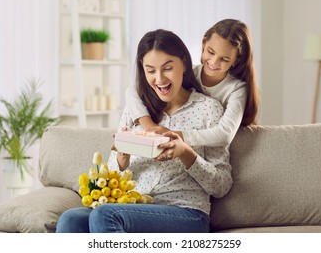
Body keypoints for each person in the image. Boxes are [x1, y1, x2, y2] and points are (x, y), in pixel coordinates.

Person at [56, 29, 231, 233]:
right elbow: (113, 172)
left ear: (183, 63)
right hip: (132, 207)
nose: (159, 79)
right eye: (150, 71)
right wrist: (122, 158)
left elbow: (222, 185)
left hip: (186, 213)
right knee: (70, 220)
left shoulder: (208, 109)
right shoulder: (136, 109)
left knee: (106, 214)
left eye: (167, 68)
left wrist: (186, 153)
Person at [126, 19, 260, 152]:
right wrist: (149, 126)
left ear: (236, 59)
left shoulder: (237, 89)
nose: (213, 62)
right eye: (211, 52)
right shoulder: (189, 72)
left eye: (224, 59)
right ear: (203, 43)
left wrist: (175, 135)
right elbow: (133, 90)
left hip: (208, 148)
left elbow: (225, 134)